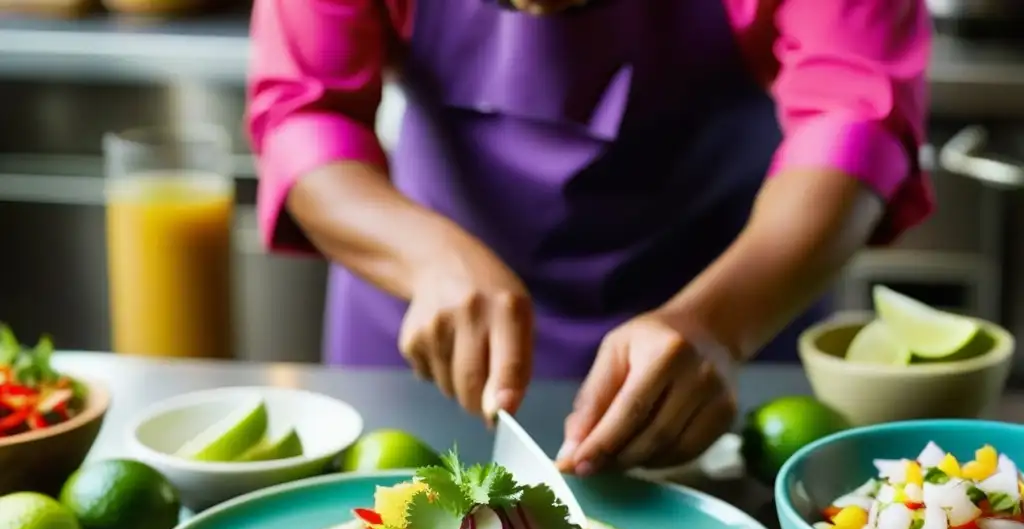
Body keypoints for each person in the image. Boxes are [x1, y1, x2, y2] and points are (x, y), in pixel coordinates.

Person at [246, 0, 933, 475]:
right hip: (421, 330)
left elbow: (854, 119)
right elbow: (303, 112)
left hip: (731, 309)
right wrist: (427, 259)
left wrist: (719, 325)